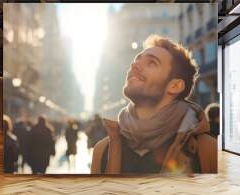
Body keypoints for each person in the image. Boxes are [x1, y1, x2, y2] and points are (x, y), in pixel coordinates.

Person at [91, 34, 217, 175]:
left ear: (175, 86)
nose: (134, 64)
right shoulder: (102, 150)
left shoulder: (206, 149)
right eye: (136, 60)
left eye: (152, 63)